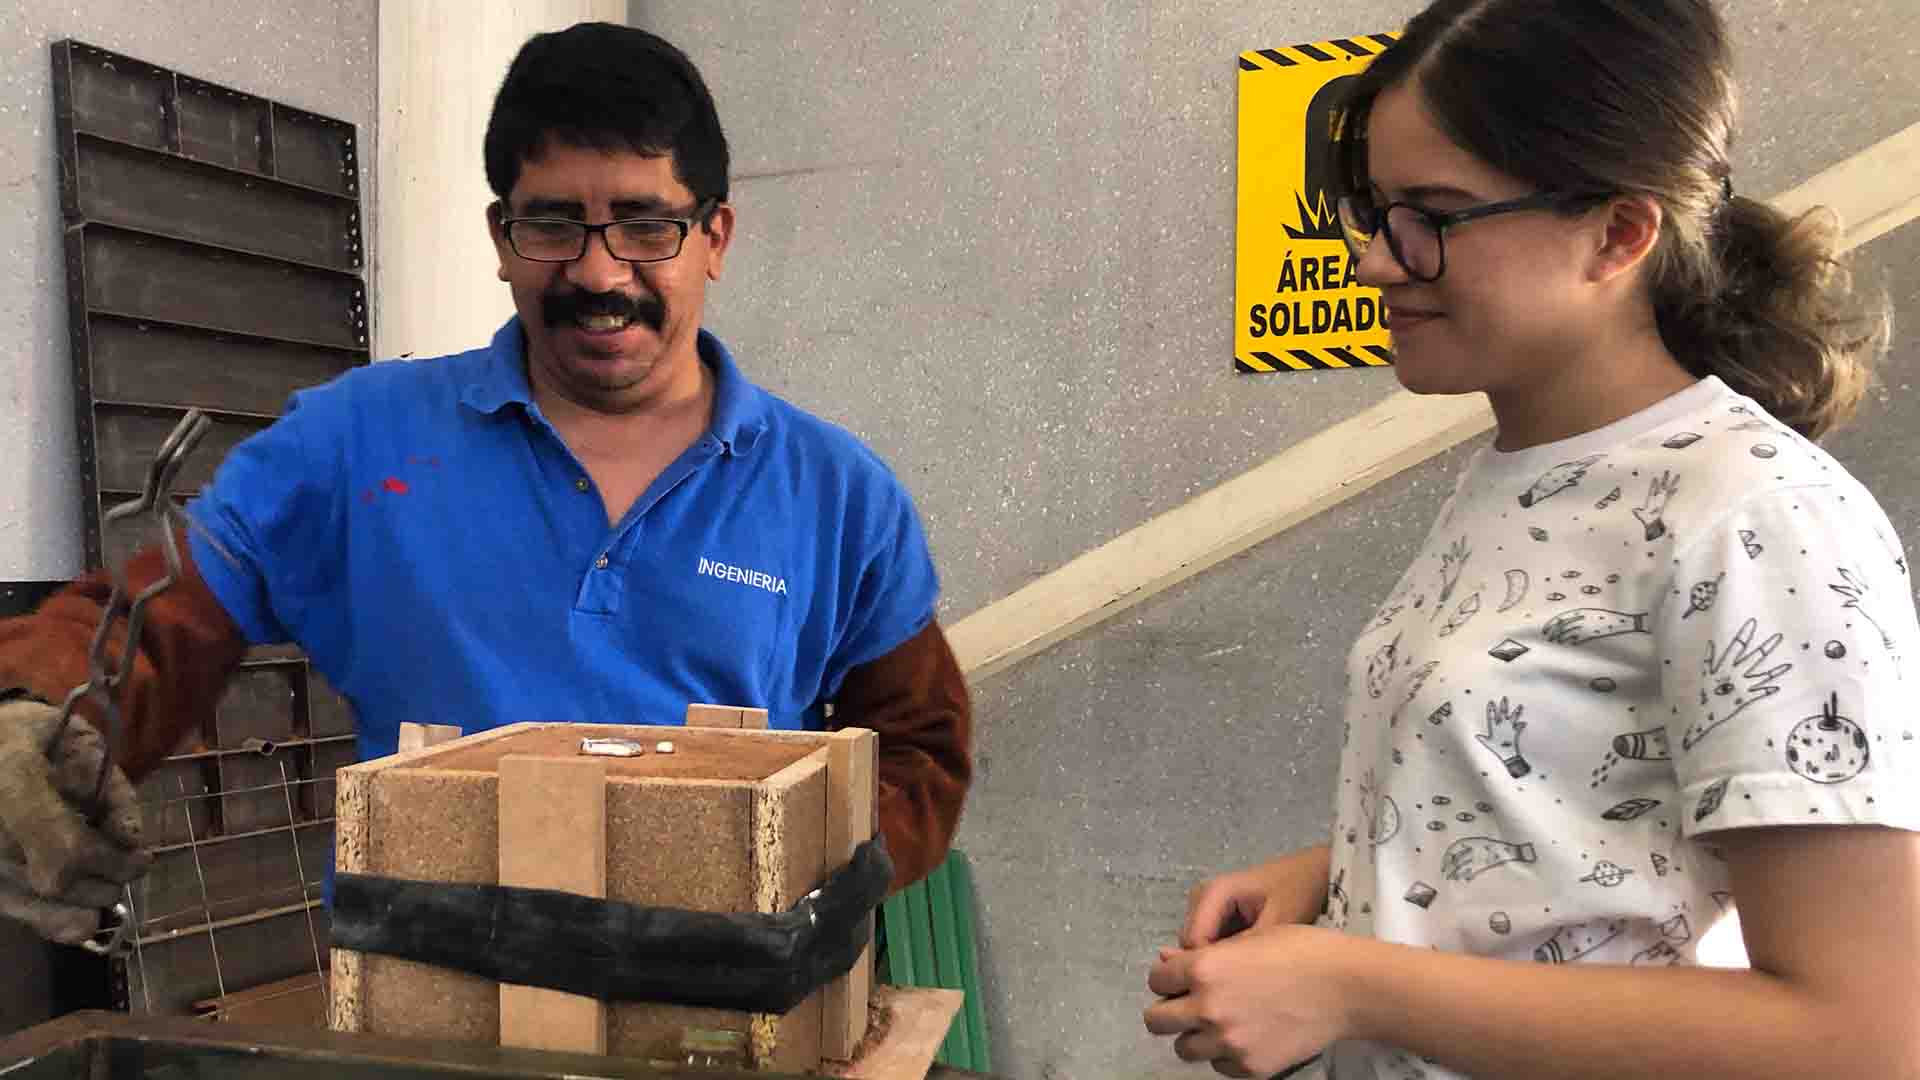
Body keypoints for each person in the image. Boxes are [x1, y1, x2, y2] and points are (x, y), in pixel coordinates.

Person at [0, 22, 971, 947]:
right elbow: (161, 620)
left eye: (644, 225)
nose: (599, 272)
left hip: (721, 1024)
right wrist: (31, 717)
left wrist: (837, 864)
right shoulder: (358, 444)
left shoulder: (838, 496)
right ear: (503, 237)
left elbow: (919, 745)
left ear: (714, 236)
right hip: (430, 1024)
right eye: (553, 223)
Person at [1144, 1, 1916, 1076]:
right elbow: (1594, 810)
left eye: (1434, 216)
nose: (1374, 262)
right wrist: (1339, 876)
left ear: (1617, 232)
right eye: (1373, 210)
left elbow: (1865, 1033)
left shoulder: (1756, 515)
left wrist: (1352, 982)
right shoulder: (1521, 476)